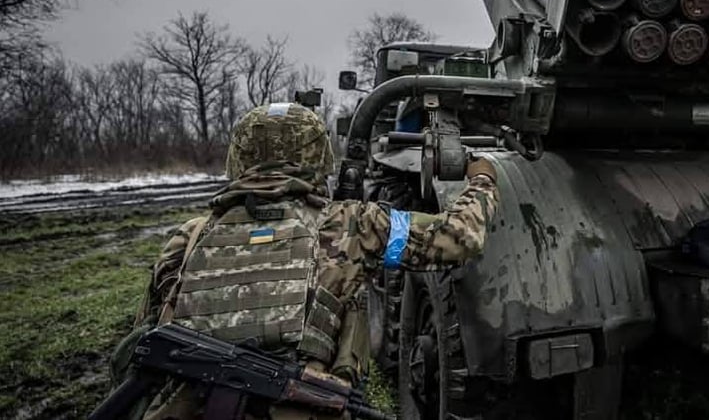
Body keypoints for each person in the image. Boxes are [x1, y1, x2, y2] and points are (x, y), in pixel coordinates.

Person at [109, 101, 498, 419]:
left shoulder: (187, 237)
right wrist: (482, 179)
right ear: (318, 157)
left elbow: (134, 349)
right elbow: (459, 236)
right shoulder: (352, 226)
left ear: (239, 159)